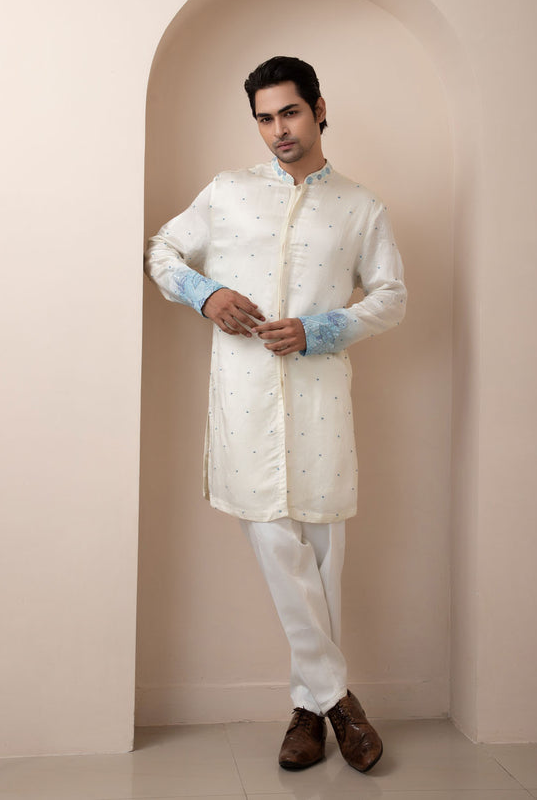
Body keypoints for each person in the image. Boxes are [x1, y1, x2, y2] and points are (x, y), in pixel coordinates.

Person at [144, 56, 407, 773]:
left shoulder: (361, 206)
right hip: (244, 399)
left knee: (323, 558)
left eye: (289, 112)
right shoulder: (228, 192)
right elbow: (162, 250)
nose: (278, 130)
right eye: (264, 118)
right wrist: (205, 294)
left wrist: (320, 329)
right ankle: (340, 703)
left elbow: (391, 296)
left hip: (322, 402)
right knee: (276, 545)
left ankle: (307, 711)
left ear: (318, 108)